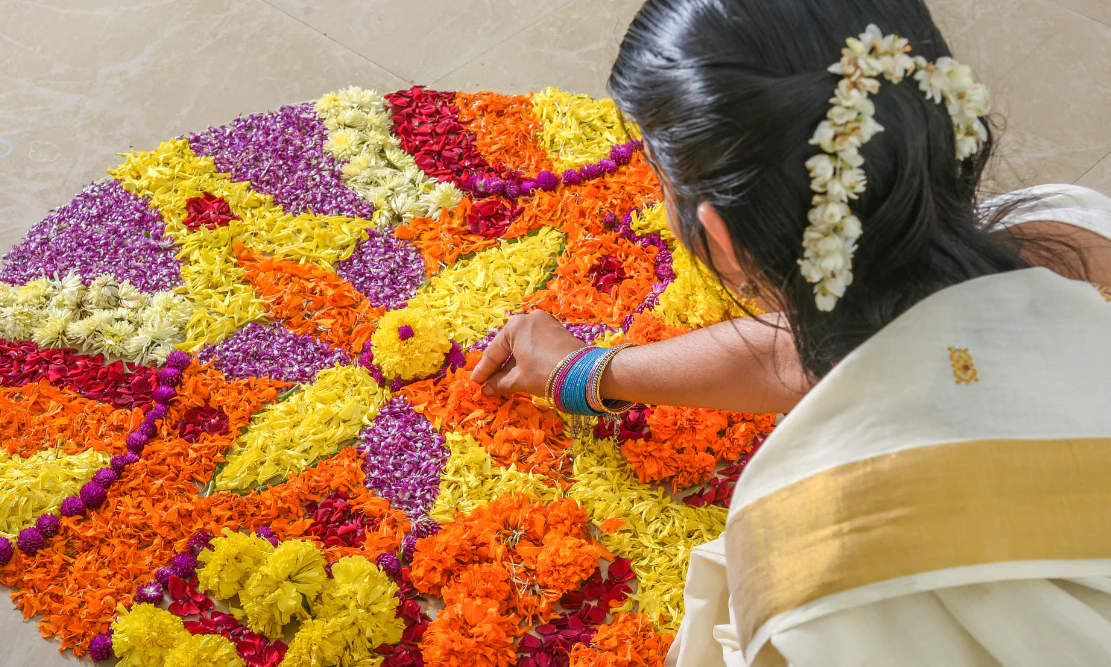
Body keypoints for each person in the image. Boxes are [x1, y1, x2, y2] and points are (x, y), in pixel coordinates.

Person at [470, 0, 1111, 665]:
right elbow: (853, 345)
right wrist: (585, 372)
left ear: (721, 238)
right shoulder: (1075, 228)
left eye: (659, 178)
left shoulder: (813, 547)